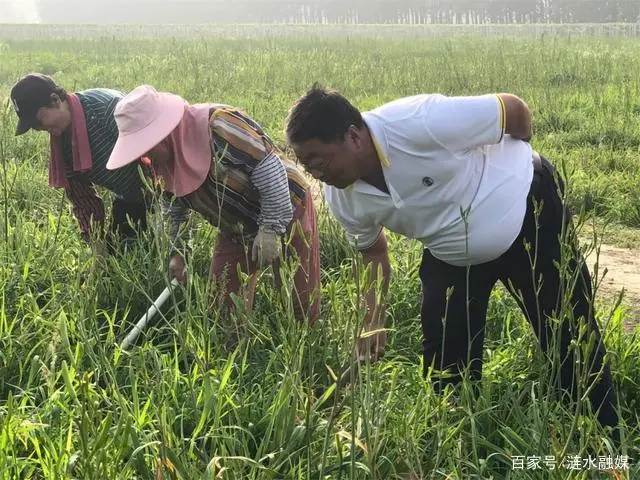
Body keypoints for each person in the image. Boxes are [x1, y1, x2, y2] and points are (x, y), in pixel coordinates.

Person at [284, 84, 619, 439]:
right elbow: (372, 252)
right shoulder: (343, 197)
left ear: (353, 136)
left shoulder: (418, 122)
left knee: (567, 332)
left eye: (320, 161)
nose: (316, 174)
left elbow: (515, 110)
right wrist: (373, 320)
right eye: (307, 165)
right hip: (450, 250)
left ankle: (604, 443)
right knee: (444, 358)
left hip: (531, 217)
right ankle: (459, 445)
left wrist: (509, 168)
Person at [106, 85, 320, 323]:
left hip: (285, 205)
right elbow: (174, 210)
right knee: (222, 304)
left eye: (143, 146)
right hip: (234, 225)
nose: (141, 156)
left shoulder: (218, 126)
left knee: (297, 293)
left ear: (163, 135)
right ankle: (233, 350)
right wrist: (178, 252)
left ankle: (306, 342)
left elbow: (268, 167)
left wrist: (270, 228)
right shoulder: (160, 162)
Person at [10, 73, 152, 253]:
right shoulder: (62, 144)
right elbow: (83, 199)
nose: (40, 129)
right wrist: (97, 246)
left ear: (55, 100)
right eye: (34, 127)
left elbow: (155, 153)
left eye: (39, 121)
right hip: (130, 196)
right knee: (121, 251)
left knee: (164, 248)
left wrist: (164, 205)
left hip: (163, 186)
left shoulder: (106, 109)